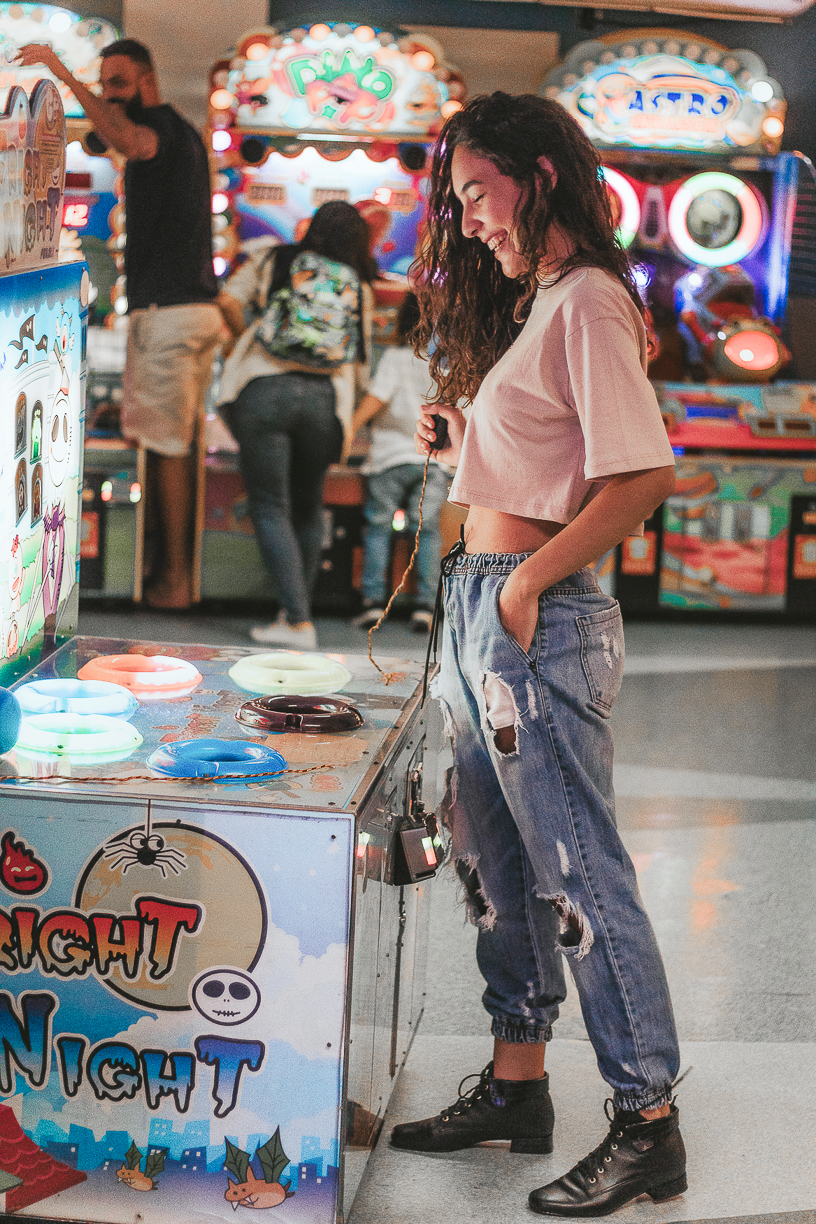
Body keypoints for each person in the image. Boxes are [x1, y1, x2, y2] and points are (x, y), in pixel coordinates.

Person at [391, 92, 686, 1218]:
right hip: (486, 605)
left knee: (578, 876)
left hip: (534, 616)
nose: (468, 219)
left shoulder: (592, 299)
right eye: (459, 200)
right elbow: (547, 458)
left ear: (541, 175)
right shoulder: (546, 300)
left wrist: (523, 582)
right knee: (499, 865)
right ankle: (518, 1084)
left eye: (479, 193)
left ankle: (648, 1123)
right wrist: (466, 444)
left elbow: (641, 475)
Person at [17, 38, 223, 610]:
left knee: (165, 447)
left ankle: (173, 582)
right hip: (191, 313)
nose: (109, 94)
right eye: (104, 82)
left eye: (118, 82)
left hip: (169, 315)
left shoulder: (158, 129)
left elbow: (126, 138)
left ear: (147, 81)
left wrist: (60, 72)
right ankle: (167, 573)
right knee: (173, 445)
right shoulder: (180, 133)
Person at [217, 203, 375, 648]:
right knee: (308, 507)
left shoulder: (275, 259)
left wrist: (244, 340)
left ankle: (297, 620)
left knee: (270, 505)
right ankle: (295, 617)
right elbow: (361, 358)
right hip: (326, 400)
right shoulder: (356, 283)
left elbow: (227, 300)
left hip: (264, 390)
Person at [350, 292, 450, 632]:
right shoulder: (445, 365)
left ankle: (373, 604)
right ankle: (425, 607)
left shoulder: (395, 358)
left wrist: (348, 430)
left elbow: (377, 398)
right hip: (432, 461)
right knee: (426, 530)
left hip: (389, 458)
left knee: (379, 527)